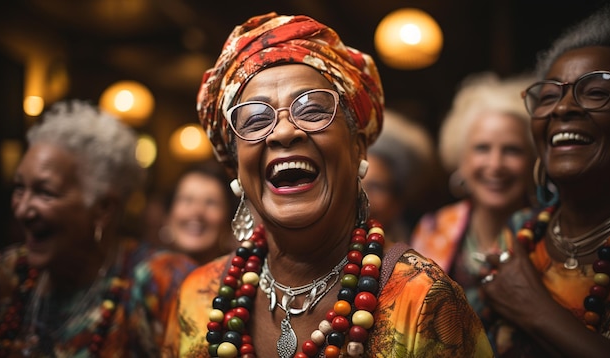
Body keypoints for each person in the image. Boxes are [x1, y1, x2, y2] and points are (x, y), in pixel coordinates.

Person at [164, 13, 492, 357]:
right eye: (256, 119)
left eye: (312, 110)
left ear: (358, 146)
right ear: (235, 165)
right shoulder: (197, 296)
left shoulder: (423, 300)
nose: (284, 131)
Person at [0, 100, 197, 356]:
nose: (22, 210)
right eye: (20, 188)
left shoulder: (162, 283)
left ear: (104, 209)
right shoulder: (6, 275)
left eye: (45, 193)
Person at [481, 4, 610, 356]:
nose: (562, 108)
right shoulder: (518, 233)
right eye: (548, 96)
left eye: (595, 90)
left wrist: (535, 309)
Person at [410, 72, 537, 322]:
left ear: (534, 160)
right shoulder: (433, 228)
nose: (495, 164)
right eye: (482, 148)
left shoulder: (551, 233)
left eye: (512, 150)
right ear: (461, 157)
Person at [363, 109, 439, 248]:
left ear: (397, 202)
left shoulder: (417, 256)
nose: (363, 195)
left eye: (375, 187)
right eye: (356, 182)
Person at [159, 160, 239, 265]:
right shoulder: (143, 275)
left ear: (229, 219)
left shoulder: (243, 276)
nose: (197, 211)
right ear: (168, 215)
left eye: (211, 203)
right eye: (187, 200)